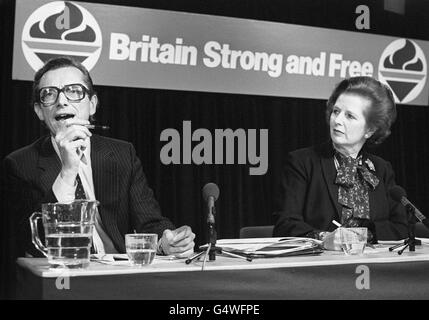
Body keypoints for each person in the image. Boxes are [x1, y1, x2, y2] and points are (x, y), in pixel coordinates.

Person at [2, 57, 195, 260]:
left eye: (74, 91)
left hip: (118, 276)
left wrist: (167, 241)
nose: (62, 101)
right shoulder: (19, 164)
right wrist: (67, 172)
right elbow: (31, 243)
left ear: (92, 104)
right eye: (49, 94)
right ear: (40, 111)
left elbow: (150, 222)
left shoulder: (122, 154)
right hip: (63, 278)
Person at [273, 76, 408, 250]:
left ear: (370, 129)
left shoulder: (381, 169)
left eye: (349, 116)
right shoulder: (302, 162)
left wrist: (367, 234)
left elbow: (401, 228)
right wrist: (323, 239)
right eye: (336, 111)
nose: (337, 120)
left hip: (377, 269)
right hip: (320, 270)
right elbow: (285, 224)